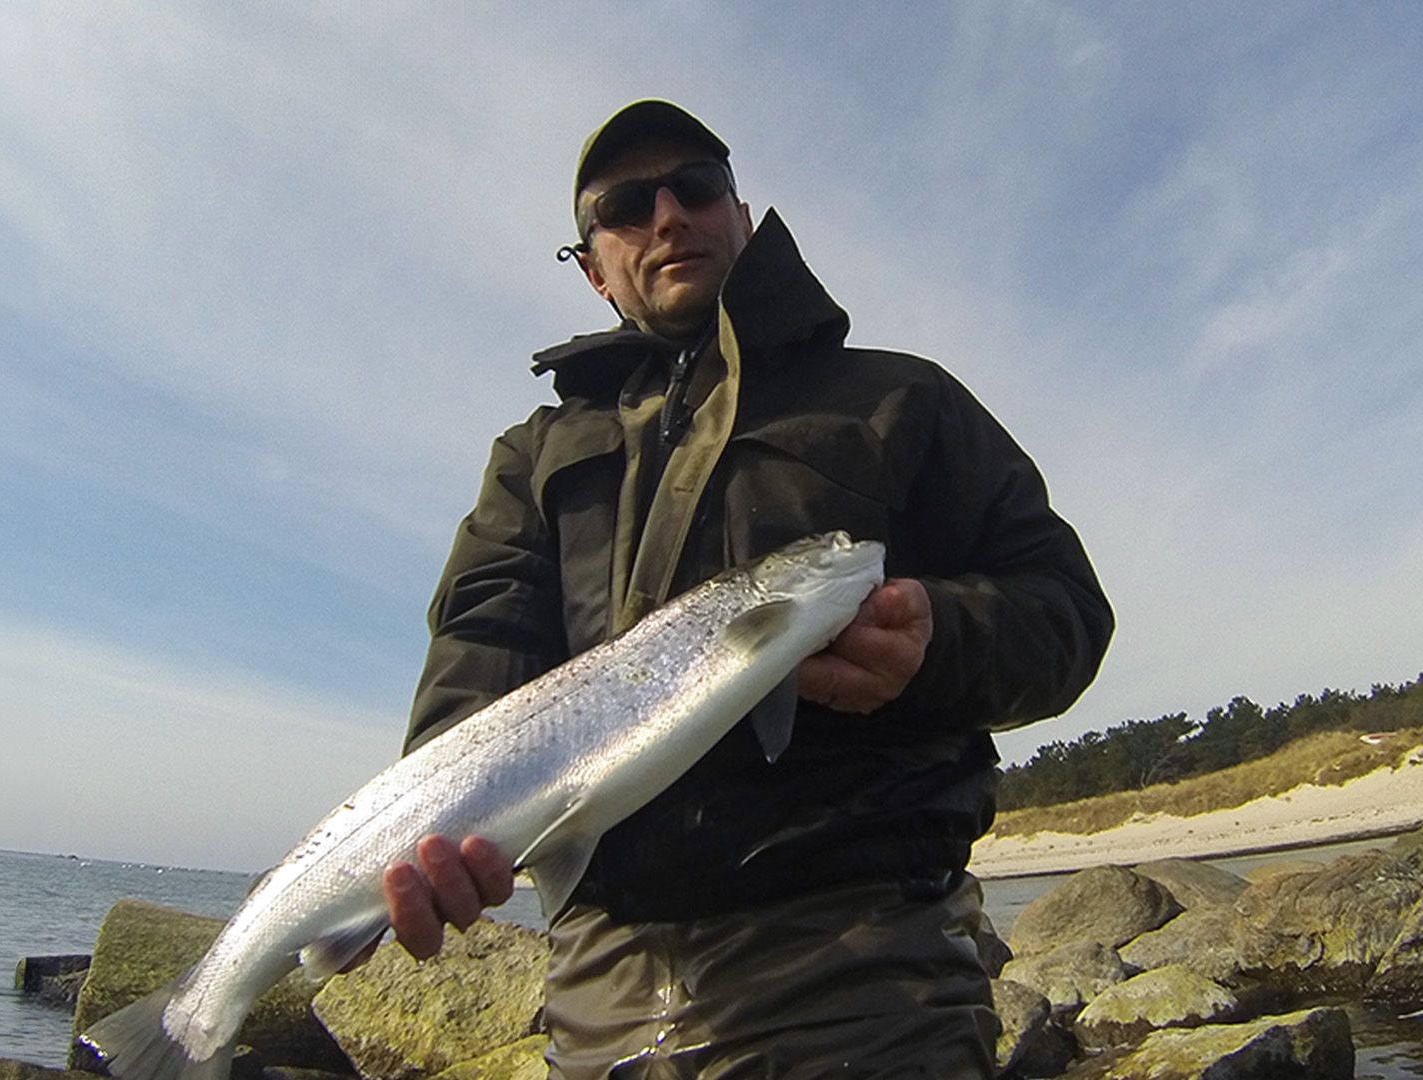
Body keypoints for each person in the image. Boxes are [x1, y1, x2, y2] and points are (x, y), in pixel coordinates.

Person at [383, 100, 1113, 1078]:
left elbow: (1065, 608)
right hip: (597, 1002)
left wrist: (937, 638)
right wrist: (432, 849)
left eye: (695, 186)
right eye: (627, 204)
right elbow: (476, 667)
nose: (669, 216)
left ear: (740, 212)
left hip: (868, 983)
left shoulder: (901, 399)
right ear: (593, 268)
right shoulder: (534, 459)